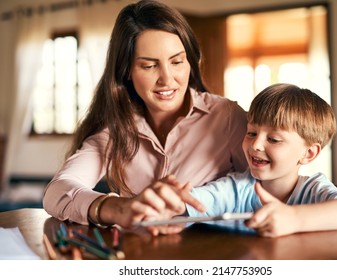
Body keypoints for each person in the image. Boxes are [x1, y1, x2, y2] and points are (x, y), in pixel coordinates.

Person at [42, 0, 247, 229]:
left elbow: (266, 189)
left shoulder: (227, 117)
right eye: (149, 66)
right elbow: (57, 192)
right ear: (126, 70)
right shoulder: (116, 129)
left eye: (177, 61)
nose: (167, 79)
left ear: (190, 61)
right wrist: (119, 208)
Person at [146, 83, 337, 237]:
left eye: (274, 139)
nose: (256, 145)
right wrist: (172, 207)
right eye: (252, 133)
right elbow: (195, 202)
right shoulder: (237, 188)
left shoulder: (314, 190)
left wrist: (294, 219)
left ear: (308, 153)